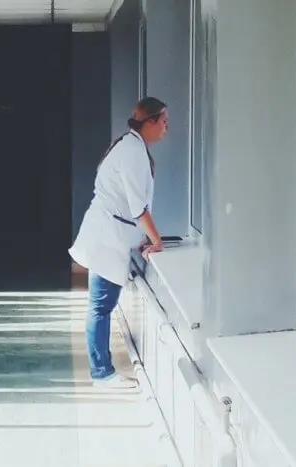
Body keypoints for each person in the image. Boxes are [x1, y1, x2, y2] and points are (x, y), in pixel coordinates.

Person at [68, 97, 169, 389]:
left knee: (100, 305)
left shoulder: (131, 146)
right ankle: (102, 373)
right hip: (106, 238)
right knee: (100, 306)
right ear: (150, 122)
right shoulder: (133, 152)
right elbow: (138, 208)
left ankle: (102, 370)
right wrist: (157, 240)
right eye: (163, 122)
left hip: (108, 234)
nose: (166, 128)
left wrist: (145, 237)